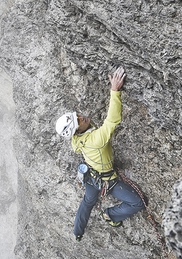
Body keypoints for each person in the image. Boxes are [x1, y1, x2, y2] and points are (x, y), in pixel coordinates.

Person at [55, 67, 146, 242]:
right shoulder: (95, 140)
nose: (82, 118)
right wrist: (114, 91)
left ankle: (77, 232)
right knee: (138, 203)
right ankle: (110, 215)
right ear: (75, 131)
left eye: (78, 115)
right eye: (78, 121)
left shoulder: (77, 140)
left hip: (91, 177)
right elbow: (112, 122)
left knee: (88, 202)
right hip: (108, 180)